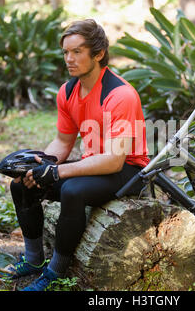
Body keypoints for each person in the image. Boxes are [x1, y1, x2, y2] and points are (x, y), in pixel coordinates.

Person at [9, 19, 150, 291]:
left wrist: (58, 172)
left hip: (128, 170)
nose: (69, 59)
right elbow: (63, 141)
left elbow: (114, 159)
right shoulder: (68, 90)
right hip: (94, 165)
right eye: (65, 52)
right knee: (21, 184)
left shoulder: (120, 95)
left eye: (77, 52)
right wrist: (40, 165)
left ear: (98, 54)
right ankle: (34, 260)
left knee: (73, 190)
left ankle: (56, 272)